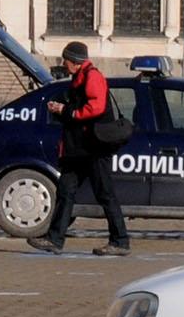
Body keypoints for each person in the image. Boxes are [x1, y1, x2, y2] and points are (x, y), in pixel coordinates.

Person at [32, 42, 129, 257]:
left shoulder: (92, 77)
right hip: (78, 149)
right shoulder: (79, 77)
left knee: (105, 194)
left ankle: (120, 241)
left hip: (93, 148)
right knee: (65, 192)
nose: (63, 64)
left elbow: (96, 107)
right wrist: (61, 109)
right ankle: (54, 239)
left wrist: (66, 110)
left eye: (65, 60)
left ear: (75, 62)